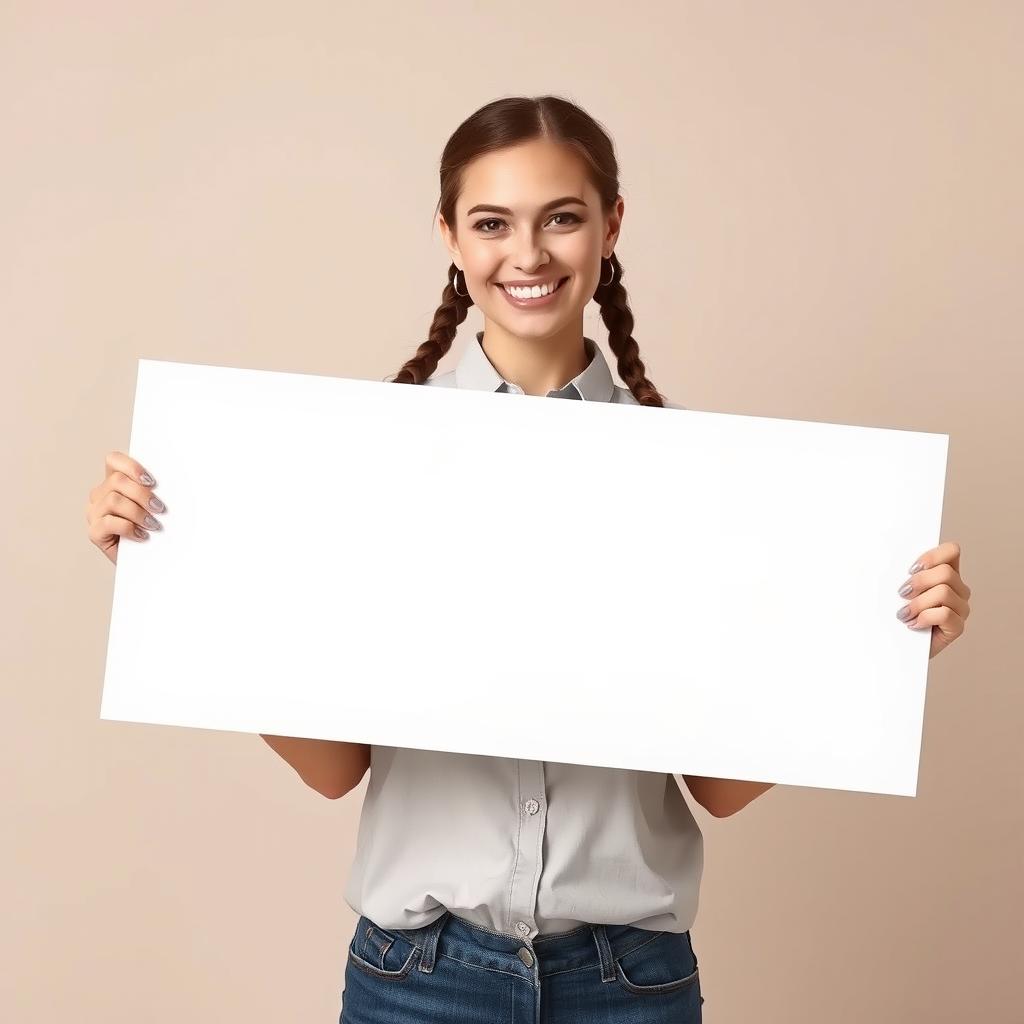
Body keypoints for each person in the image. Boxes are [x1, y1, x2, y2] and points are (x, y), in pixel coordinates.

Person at [85, 95, 972, 1023]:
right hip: (415, 981)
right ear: (450, 237)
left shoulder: (704, 482)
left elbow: (716, 787)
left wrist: (886, 649)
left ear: (611, 224)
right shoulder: (366, 461)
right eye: (492, 222)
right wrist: (176, 583)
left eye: (562, 217)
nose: (530, 253)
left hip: (630, 983)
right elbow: (334, 767)